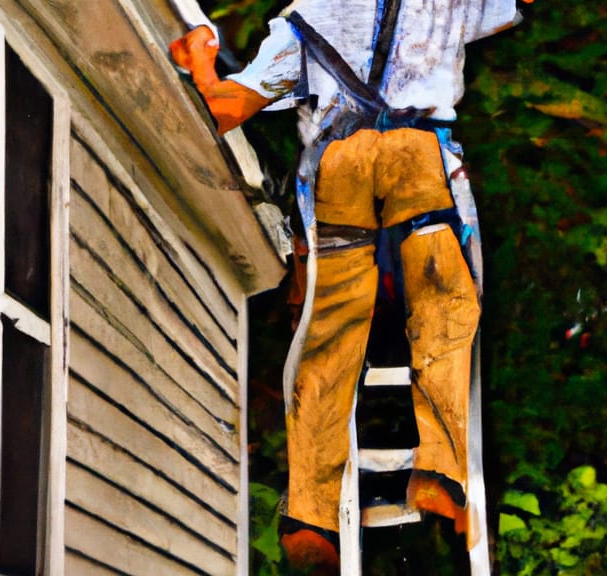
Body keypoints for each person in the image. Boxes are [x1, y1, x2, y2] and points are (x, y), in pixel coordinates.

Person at [171, 1, 518, 572]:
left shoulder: (307, 18)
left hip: (341, 164)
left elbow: (228, 108)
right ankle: (438, 469)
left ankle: (312, 515)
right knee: (445, 303)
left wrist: (202, 63)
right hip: (421, 156)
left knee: (330, 333)